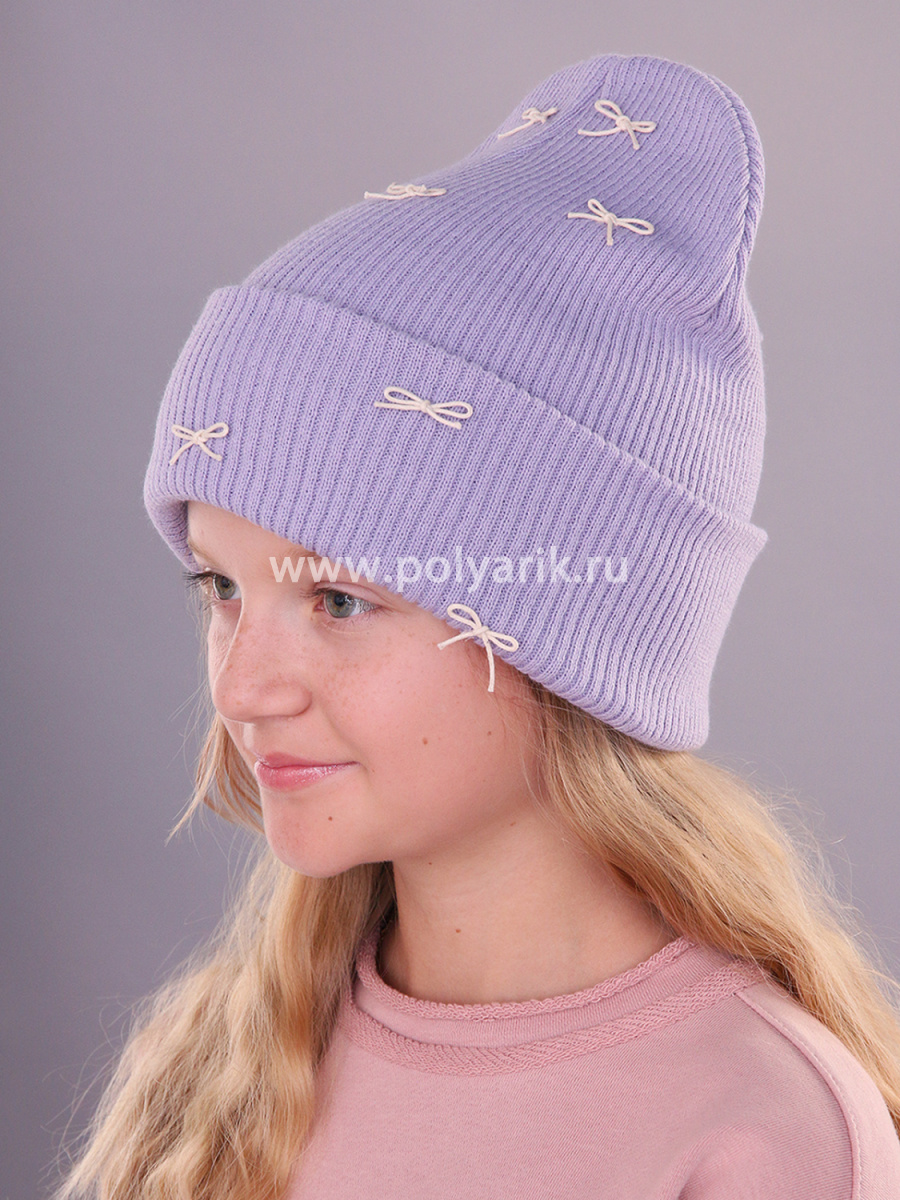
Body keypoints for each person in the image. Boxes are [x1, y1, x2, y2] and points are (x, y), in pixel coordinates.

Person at [57, 52, 900, 1200]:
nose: (243, 688)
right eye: (221, 589)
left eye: (339, 599)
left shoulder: (762, 1130)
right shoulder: (212, 1079)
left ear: (566, 637)